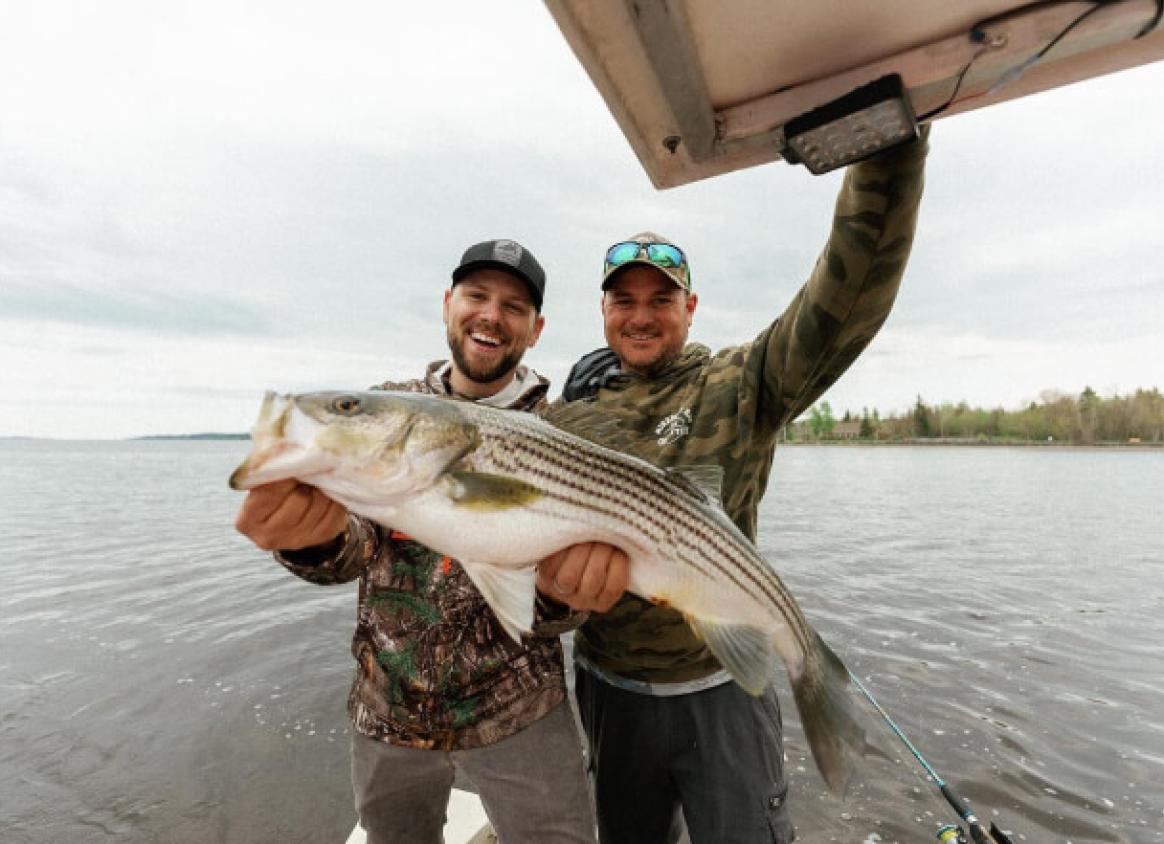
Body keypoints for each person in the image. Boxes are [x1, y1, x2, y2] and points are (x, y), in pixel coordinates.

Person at [540, 128, 931, 843]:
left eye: (662, 298)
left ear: (691, 308)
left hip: (720, 689)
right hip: (610, 691)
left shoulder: (741, 384)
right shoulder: (571, 417)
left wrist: (889, 147)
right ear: (602, 313)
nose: (640, 314)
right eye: (622, 300)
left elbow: (843, 298)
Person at [235, 239, 620, 844]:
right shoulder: (385, 405)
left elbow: (553, 606)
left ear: (536, 327)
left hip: (520, 711)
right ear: (448, 305)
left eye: (514, 306)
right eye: (476, 295)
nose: (491, 315)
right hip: (387, 708)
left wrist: (563, 598)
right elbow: (353, 550)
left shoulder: (562, 433)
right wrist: (310, 541)